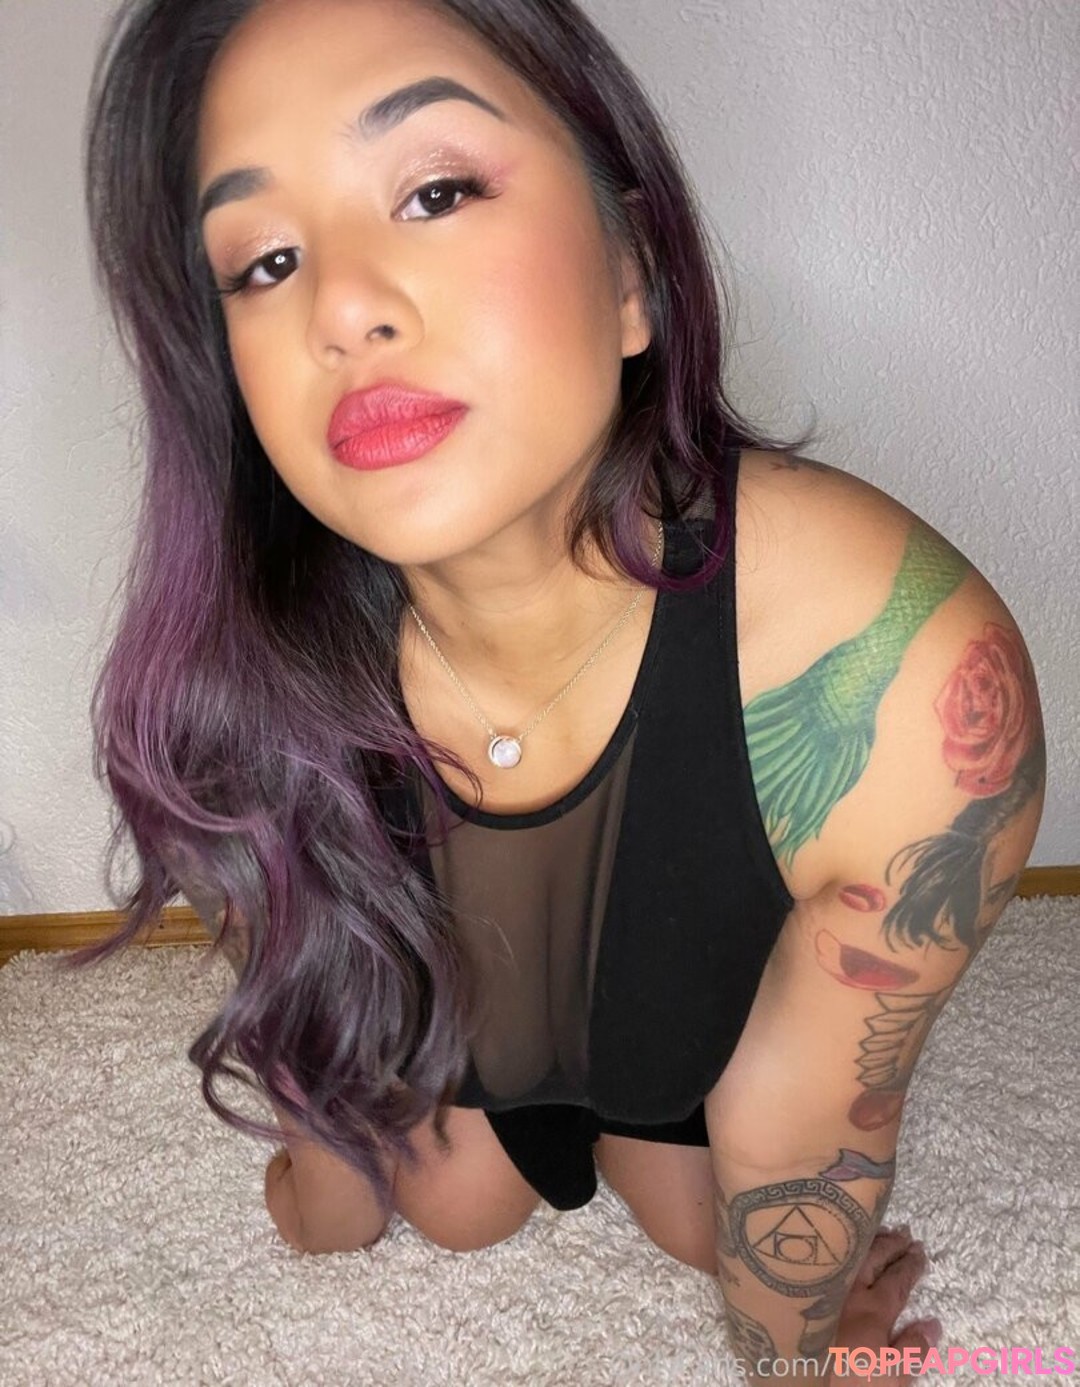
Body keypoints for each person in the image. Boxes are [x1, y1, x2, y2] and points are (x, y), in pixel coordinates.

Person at [72, 1, 1045, 1382]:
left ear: (633, 271)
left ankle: (648, 1119)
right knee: (424, 1207)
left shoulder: (898, 668)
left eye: (435, 191)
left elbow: (803, 1154)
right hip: (461, 1032)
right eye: (266, 260)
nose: (341, 308)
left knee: (710, 1218)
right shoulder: (239, 693)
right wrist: (320, 1182)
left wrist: (817, 1355)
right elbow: (320, 1145)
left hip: (701, 1030)